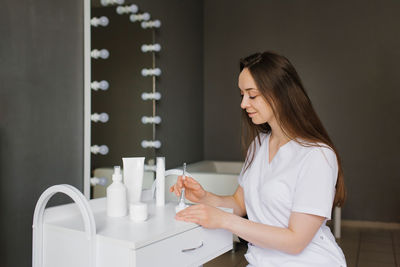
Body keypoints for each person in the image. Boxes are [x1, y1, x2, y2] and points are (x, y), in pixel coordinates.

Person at [170, 51, 347, 267]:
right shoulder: (259, 145)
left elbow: (296, 241)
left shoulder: (317, 155)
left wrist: (225, 221)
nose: (244, 104)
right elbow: (238, 204)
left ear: (281, 94)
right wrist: (203, 196)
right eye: (242, 94)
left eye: (252, 95)